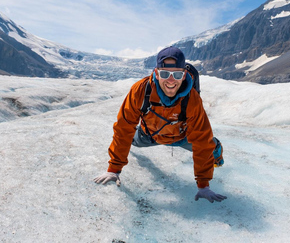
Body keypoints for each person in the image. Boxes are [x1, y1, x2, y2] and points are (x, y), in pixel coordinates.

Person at [94, 46, 227, 203]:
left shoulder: (192, 99)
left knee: (209, 145)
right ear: (156, 73)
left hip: (182, 137)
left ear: (184, 75)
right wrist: (114, 170)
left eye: (176, 74)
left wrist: (203, 185)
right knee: (129, 140)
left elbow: (201, 139)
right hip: (149, 135)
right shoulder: (141, 91)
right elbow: (124, 128)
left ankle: (216, 150)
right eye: (165, 74)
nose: (171, 80)